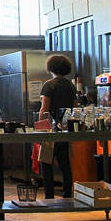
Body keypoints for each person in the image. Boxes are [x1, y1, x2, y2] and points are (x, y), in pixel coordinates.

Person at [38, 55, 75, 199]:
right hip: (66, 126)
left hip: (51, 128)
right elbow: (74, 106)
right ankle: (67, 193)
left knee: (46, 161)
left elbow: (44, 109)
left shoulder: (49, 85)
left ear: (50, 68)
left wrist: (40, 128)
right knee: (64, 161)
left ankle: (49, 195)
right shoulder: (70, 85)